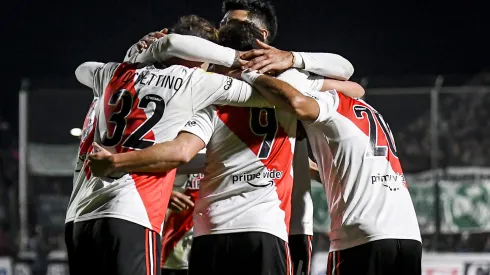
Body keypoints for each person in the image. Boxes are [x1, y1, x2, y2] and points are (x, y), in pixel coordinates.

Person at [89, 20, 363, 275]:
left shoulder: (210, 98)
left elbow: (183, 151)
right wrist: (291, 62)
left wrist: (121, 163)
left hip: (212, 230)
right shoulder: (291, 87)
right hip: (266, 226)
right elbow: (353, 89)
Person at [247, 67, 423, 275]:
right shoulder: (371, 113)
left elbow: (296, 102)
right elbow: (347, 171)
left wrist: (252, 76)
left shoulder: (331, 101)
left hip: (361, 236)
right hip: (408, 235)